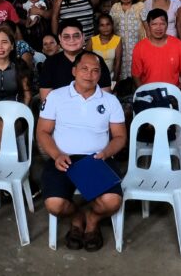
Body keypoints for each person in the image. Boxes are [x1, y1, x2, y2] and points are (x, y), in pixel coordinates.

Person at [37, 50, 126, 252]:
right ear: (74, 71)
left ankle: (92, 220)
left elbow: (120, 137)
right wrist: (56, 155)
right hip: (63, 158)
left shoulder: (110, 100)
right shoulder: (56, 97)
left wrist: (105, 152)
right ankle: (76, 217)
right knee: (54, 204)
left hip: (96, 159)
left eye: (95, 71)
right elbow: (42, 132)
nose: (90, 74)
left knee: (112, 202)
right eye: (84, 69)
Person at [39, 20, 112, 100]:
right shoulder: (50, 63)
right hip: (60, 111)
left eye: (76, 36)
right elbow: (46, 100)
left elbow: (105, 97)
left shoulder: (96, 60)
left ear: (83, 37)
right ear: (60, 38)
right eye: (66, 37)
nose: (72, 40)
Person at [131, 9, 181, 100]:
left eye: (162, 24)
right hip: (149, 95)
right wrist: (144, 94)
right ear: (148, 26)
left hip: (172, 94)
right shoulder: (139, 47)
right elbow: (136, 76)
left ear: (167, 25)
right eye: (154, 24)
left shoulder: (178, 45)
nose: (158, 28)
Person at [109, 0, 145, 81]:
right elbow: (109, 27)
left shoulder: (140, 6)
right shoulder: (115, 7)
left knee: (138, 75)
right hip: (119, 48)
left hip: (137, 47)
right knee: (119, 75)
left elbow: (147, 26)